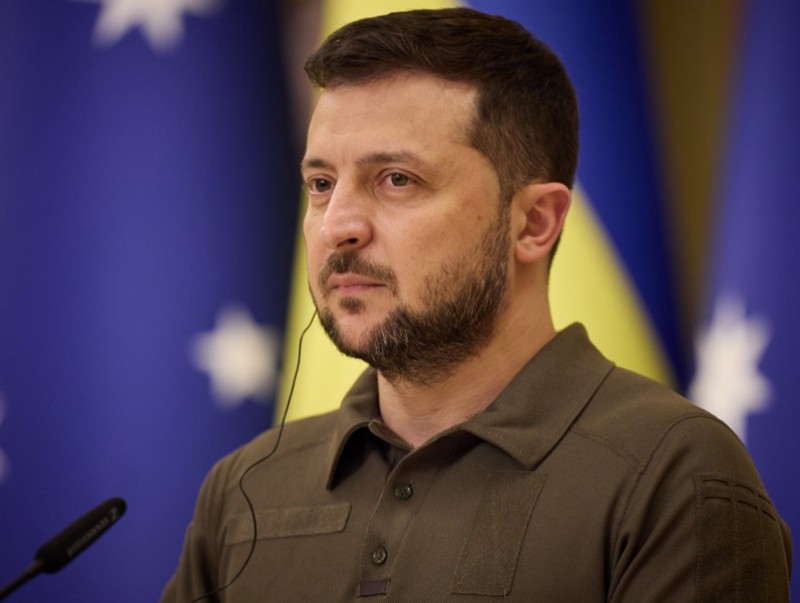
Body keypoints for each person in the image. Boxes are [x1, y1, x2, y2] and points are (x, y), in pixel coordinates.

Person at [162, 8, 792, 601]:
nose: (337, 226)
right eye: (321, 184)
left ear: (534, 223)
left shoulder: (673, 474)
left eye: (397, 179)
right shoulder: (244, 488)